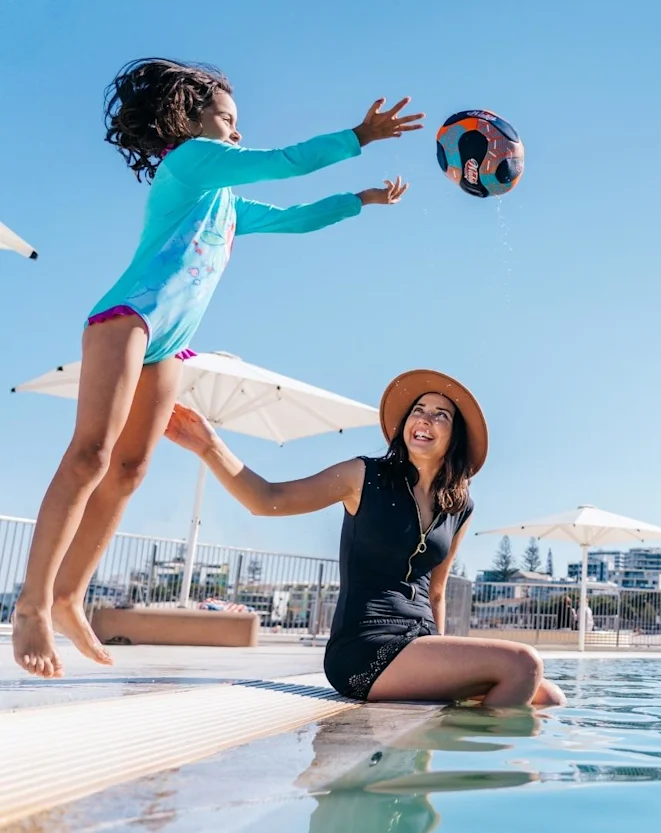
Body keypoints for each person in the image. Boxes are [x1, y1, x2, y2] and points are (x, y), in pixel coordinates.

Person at [12, 57, 423, 679]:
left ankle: (71, 596)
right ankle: (32, 604)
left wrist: (359, 201)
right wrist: (359, 138)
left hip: (169, 342)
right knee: (91, 456)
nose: (234, 130)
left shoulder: (224, 202)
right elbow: (283, 161)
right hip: (127, 319)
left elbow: (292, 218)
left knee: (128, 471)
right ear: (191, 117)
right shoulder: (189, 163)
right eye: (226, 118)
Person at [164, 369, 565, 709]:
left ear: (454, 436)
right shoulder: (363, 476)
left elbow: (436, 591)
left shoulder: (458, 506)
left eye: (440, 415)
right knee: (522, 665)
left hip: (418, 643)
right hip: (364, 647)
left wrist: (443, 665)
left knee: (549, 697)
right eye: (418, 411)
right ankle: (450, 745)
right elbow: (269, 499)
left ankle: (439, 755)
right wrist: (209, 446)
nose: (424, 420)